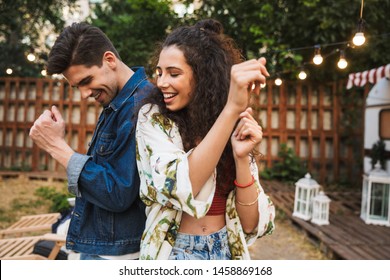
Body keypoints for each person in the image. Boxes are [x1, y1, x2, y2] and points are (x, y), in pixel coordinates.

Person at [135, 19, 275, 260]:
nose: (161, 82)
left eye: (173, 73)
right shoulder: (154, 119)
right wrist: (231, 109)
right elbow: (179, 187)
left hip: (226, 250)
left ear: (204, 76)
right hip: (175, 251)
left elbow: (251, 224)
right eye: (159, 72)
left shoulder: (231, 119)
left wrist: (241, 158)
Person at [29, 22, 153, 260]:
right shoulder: (118, 103)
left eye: (86, 81)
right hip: (104, 247)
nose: (84, 94)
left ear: (109, 59)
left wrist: (57, 147)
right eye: (77, 87)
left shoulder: (139, 108)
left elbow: (117, 193)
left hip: (118, 256)